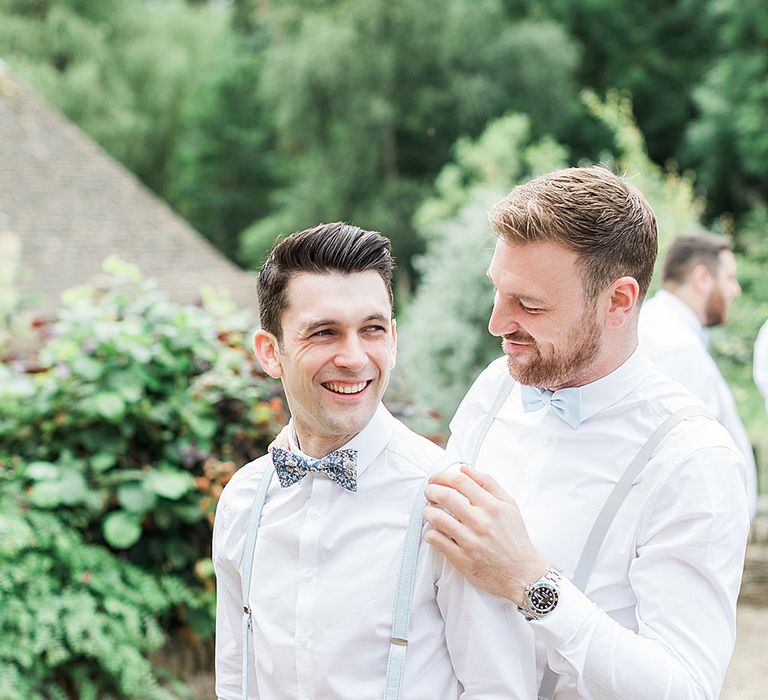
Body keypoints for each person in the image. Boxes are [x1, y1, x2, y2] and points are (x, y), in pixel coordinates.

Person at [422, 167, 750, 700]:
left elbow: (686, 688)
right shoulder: (494, 387)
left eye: (529, 305)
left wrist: (532, 583)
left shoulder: (694, 460)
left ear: (618, 301)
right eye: (498, 293)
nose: (496, 323)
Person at [212, 223, 535, 699]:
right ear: (270, 352)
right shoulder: (242, 501)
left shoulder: (450, 503)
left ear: (394, 339)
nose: (354, 357)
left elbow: (502, 690)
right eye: (324, 333)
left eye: (372, 330)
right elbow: (236, 681)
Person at [639, 233, 757, 520]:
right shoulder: (674, 346)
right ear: (702, 278)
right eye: (729, 277)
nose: (736, 290)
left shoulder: (661, 328)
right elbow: (692, 460)